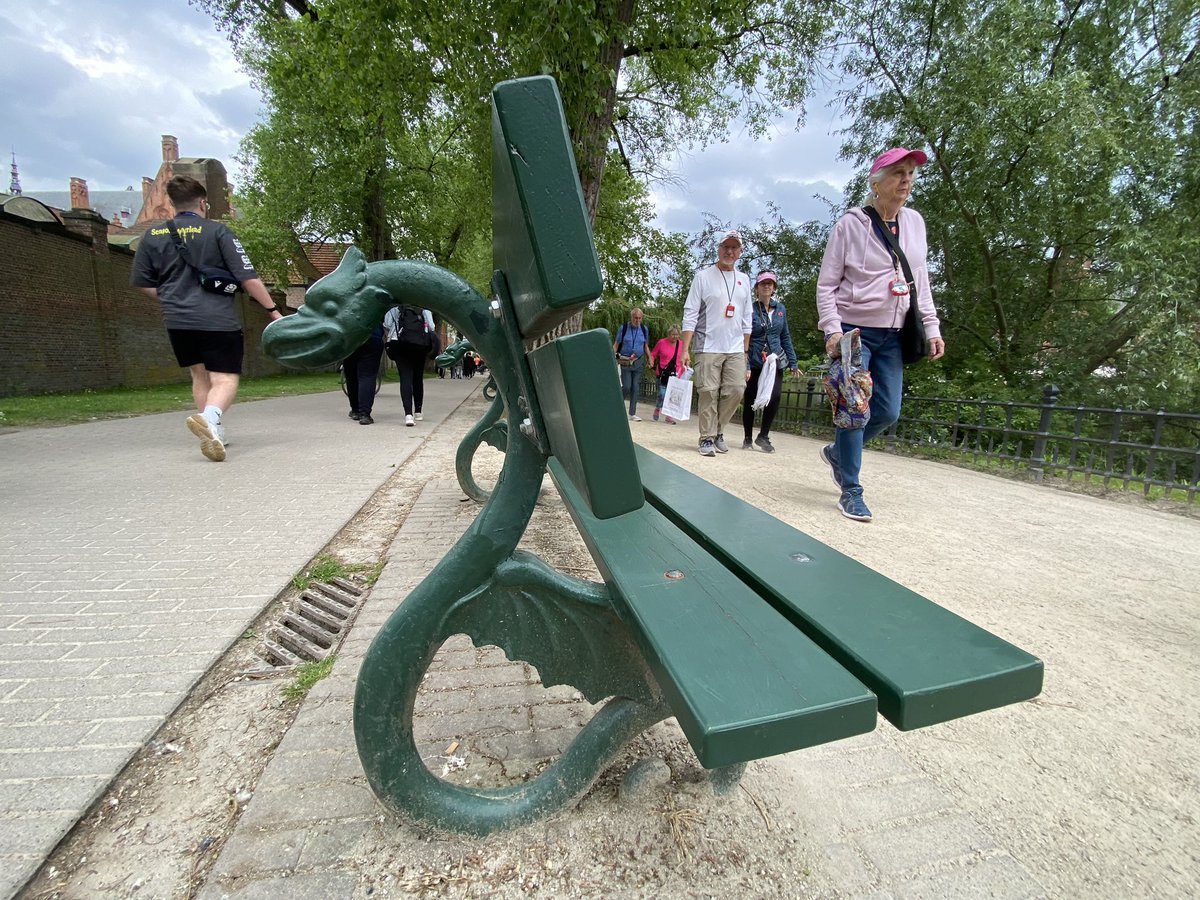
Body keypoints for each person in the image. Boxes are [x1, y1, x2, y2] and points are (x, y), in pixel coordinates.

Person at [816, 147, 946, 522]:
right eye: (898, 173)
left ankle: (839, 453)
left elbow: (920, 280)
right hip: (855, 333)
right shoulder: (850, 225)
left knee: (887, 411)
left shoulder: (916, 224)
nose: (906, 180)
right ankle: (851, 490)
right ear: (876, 182)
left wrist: (932, 326)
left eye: (910, 174)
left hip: (895, 332)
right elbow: (827, 286)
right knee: (854, 410)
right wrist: (832, 330)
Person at [131, 174, 283, 462]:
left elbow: (142, 281)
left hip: (178, 321)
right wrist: (272, 311)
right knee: (225, 378)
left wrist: (171, 299)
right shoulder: (217, 232)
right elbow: (248, 278)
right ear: (203, 203)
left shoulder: (152, 236)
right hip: (217, 320)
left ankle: (214, 431)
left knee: (199, 375)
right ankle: (210, 419)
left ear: (173, 204)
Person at [680, 229, 753, 456]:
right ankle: (706, 438)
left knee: (736, 389)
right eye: (726, 247)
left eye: (734, 248)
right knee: (708, 392)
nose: (729, 251)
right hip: (707, 345)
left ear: (739, 252)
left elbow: (747, 317)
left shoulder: (744, 279)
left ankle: (718, 430)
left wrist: (746, 351)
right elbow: (690, 313)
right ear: (718, 249)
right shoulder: (703, 277)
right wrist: (684, 349)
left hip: (735, 347)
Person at [741, 272, 800, 452]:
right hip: (755, 359)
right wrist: (746, 363)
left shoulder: (781, 309)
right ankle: (748, 437)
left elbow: (785, 336)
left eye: (770, 283)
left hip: (775, 361)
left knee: (774, 397)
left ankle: (764, 436)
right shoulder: (750, 309)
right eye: (763, 284)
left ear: (774, 287)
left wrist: (793, 361)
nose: (767, 286)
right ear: (757, 288)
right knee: (750, 397)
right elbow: (744, 336)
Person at [384, 305, 436, 426]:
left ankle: (408, 415)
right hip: (419, 345)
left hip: (400, 344)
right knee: (418, 378)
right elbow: (432, 327)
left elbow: (387, 324)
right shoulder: (423, 308)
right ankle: (418, 411)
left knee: (405, 378)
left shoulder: (396, 307)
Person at [343, 323, 385, 424]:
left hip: (349, 338)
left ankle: (355, 410)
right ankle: (365, 414)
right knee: (367, 376)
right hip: (372, 336)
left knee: (351, 375)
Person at [613, 308, 650, 421]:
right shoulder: (623, 328)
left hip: (638, 360)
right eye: (635, 318)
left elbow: (645, 345)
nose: (638, 320)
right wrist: (612, 357)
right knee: (627, 386)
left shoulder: (644, 329)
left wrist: (650, 357)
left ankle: (632, 413)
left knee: (635, 387)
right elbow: (616, 344)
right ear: (631, 317)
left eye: (640, 318)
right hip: (625, 360)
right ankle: (617, 407)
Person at [649, 323, 685, 424]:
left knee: (671, 396)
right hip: (662, 373)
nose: (675, 337)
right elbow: (653, 354)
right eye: (673, 334)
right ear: (669, 334)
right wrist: (651, 361)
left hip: (675, 373)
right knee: (662, 394)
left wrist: (685, 365)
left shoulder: (681, 344)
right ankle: (658, 408)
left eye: (677, 334)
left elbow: (685, 356)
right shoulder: (662, 342)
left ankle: (669, 416)